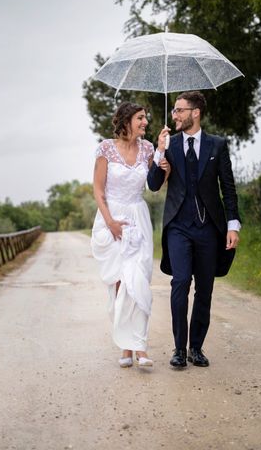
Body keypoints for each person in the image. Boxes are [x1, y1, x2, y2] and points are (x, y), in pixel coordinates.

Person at [147, 91, 241, 369]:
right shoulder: (170, 145)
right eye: (174, 110)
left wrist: (232, 225)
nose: (174, 115)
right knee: (180, 282)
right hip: (178, 227)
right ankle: (178, 349)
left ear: (195, 112)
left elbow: (228, 187)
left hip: (209, 229)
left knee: (205, 288)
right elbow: (153, 185)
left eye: (179, 110)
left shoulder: (217, 145)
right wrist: (159, 152)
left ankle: (196, 348)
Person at [91, 102, 169, 368]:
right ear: (126, 121)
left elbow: (154, 185)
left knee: (138, 281)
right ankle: (126, 347)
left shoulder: (148, 149)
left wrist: (161, 153)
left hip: (138, 218)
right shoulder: (105, 149)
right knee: (119, 283)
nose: (145, 122)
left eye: (145, 118)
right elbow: (98, 190)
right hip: (111, 218)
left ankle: (141, 346)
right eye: (140, 118)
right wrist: (110, 221)